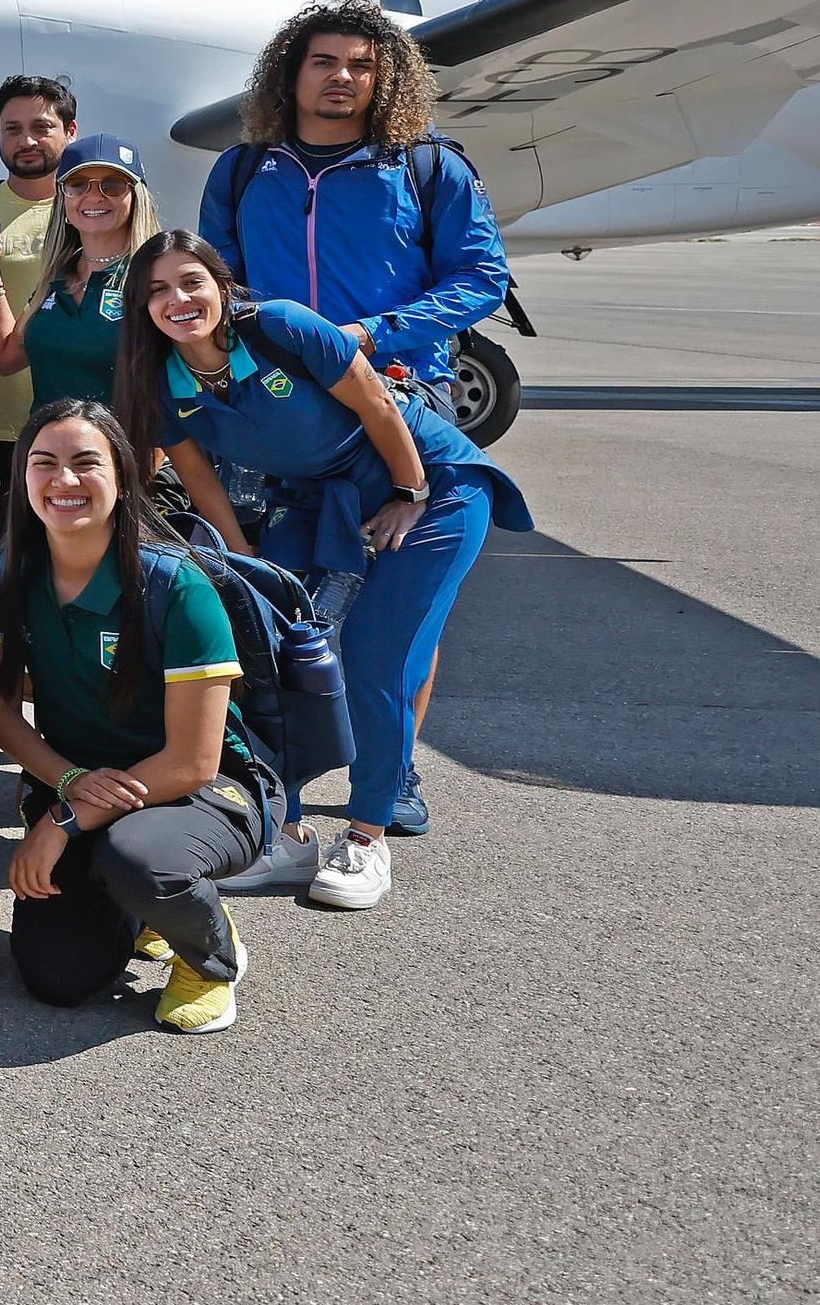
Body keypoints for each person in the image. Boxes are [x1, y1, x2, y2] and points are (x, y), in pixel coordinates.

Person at [116, 231, 529, 911]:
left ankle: (367, 836)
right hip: (317, 501)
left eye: (191, 281)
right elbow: (204, 486)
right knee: (271, 654)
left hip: (433, 487)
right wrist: (244, 565)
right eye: (157, 290)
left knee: (375, 657)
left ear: (221, 285)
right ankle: (285, 829)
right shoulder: (158, 378)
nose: (178, 299)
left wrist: (408, 492)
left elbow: (377, 402)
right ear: (141, 307)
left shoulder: (280, 325)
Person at [0, 401, 269, 1033]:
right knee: (58, 978)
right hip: (81, 784)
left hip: (197, 793)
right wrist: (66, 782)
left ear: (123, 475)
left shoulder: (176, 585)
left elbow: (193, 761)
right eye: (43, 463)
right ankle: (141, 911)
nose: (64, 481)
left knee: (140, 861)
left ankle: (211, 955)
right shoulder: (7, 569)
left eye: (86, 464)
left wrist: (61, 821)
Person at [200, 0, 514, 405]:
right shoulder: (241, 169)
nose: (343, 76)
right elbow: (219, 283)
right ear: (291, 74)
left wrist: (373, 334)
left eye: (361, 65)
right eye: (324, 62)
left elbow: (481, 277)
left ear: (381, 80)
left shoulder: (431, 167)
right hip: (275, 391)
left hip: (398, 385)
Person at [0, 133, 159, 419]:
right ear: (63, 196)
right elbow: (6, 358)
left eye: (112, 185)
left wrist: (143, 464)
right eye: (77, 184)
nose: (94, 196)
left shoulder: (153, 278)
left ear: (136, 196)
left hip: (124, 457)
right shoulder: (57, 278)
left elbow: (171, 394)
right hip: (51, 455)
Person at [0, 76, 79, 480]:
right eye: (12, 130)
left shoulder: (95, 211)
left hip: (77, 424)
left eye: (41, 127)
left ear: (70, 131)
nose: (27, 141)